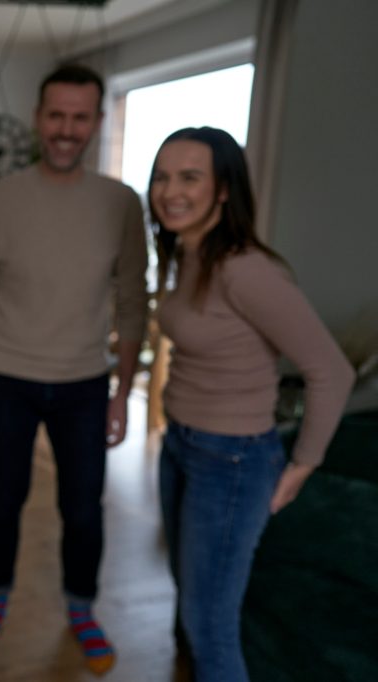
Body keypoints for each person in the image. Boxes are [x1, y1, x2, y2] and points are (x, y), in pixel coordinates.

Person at [0, 63, 148, 674]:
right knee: (3, 497)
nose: (66, 128)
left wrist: (123, 392)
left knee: (84, 506)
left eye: (79, 117)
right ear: (38, 118)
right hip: (5, 376)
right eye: (56, 115)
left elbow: (133, 303)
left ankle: (81, 607)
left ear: (96, 122)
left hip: (86, 382)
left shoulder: (121, 204)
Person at [148, 126, 354, 682]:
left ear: (223, 190)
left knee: (209, 625)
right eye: (162, 176)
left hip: (232, 461)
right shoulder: (188, 253)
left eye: (190, 176)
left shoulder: (246, 269)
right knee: (192, 601)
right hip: (183, 445)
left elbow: (331, 370)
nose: (170, 190)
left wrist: (304, 463)